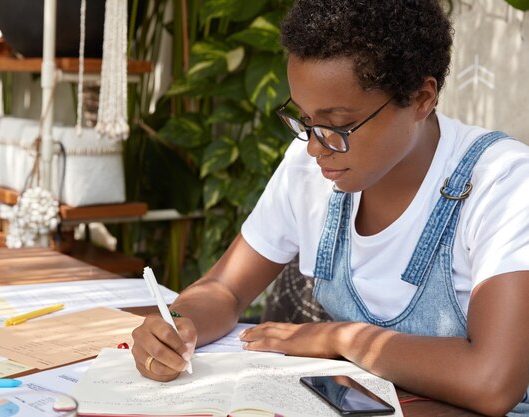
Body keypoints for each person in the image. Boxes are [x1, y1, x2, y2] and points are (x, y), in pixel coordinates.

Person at [130, 1, 529, 416]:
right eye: (304, 120)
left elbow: (492, 382)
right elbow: (226, 289)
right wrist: (177, 326)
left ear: (422, 98)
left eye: (338, 124)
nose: (316, 147)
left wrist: (341, 339)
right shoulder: (311, 169)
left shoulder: (500, 182)